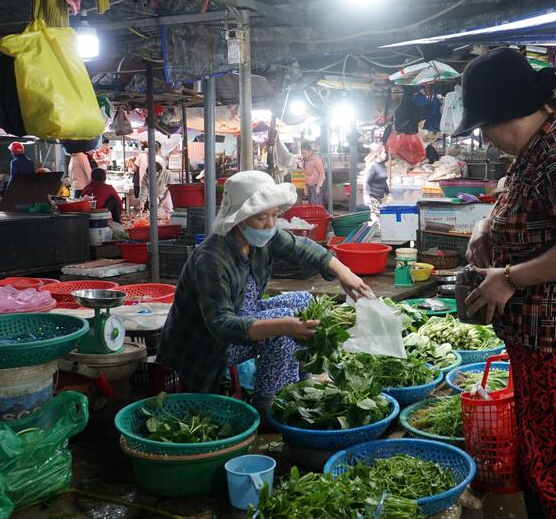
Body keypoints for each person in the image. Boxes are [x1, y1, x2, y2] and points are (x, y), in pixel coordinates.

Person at [458, 48, 556, 518]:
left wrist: (507, 278)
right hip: (539, 333)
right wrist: (486, 227)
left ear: (505, 114)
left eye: (483, 127)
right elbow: (516, 201)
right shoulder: (535, 149)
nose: (484, 138)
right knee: (542, 450)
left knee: (553, 464)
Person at [159, 171, 372, 420]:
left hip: (243, 317)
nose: (271, 224)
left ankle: (302, 380)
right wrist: (282, 326)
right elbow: (221, 325)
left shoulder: (262, 237)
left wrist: (345, 273)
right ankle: (270, 407)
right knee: (284, 329)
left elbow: (300, 248)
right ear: (239, 218)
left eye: (274, 215)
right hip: (206, 344)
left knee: (303, 302)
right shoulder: (211, 259)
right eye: (261, 218)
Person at [362, 143, 390, 222]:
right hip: (372, 196)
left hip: (379, 196)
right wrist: (366, 195)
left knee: (379, 217)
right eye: (384, 152)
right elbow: (366, 181)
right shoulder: (372, 165)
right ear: (378, 153)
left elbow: (383, 181)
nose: (385, 154)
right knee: (377, 218)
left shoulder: (382, 165)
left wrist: (388, 193)